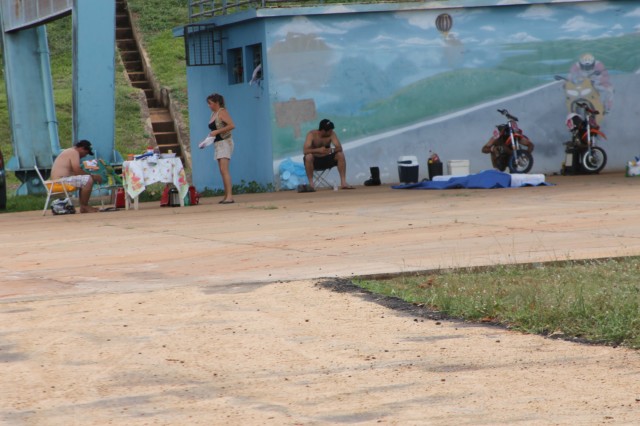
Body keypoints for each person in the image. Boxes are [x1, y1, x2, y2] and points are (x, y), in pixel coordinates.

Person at [303, 118, 353, 191]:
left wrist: (331, 150)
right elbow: (305, 150)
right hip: (315, 161)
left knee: (340, 155)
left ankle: (343, 182)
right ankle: (311, 184)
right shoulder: (312, 135)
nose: (331, 131)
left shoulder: (332, 134)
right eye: (329, 130)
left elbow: (339, 148)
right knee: (308, 156)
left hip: (327, 159)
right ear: (323, 131)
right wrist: (318, 150)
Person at [205, 93, 236, 204]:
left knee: (224, 170)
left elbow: (232, 125)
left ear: (217, 103)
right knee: (222, 171)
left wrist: (217, 132)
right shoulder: (214, 114)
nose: (209, 105)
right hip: (218, 143)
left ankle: (230, 196)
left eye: (210, 103)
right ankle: (226, 195)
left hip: (225, 143)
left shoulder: (222, 112)